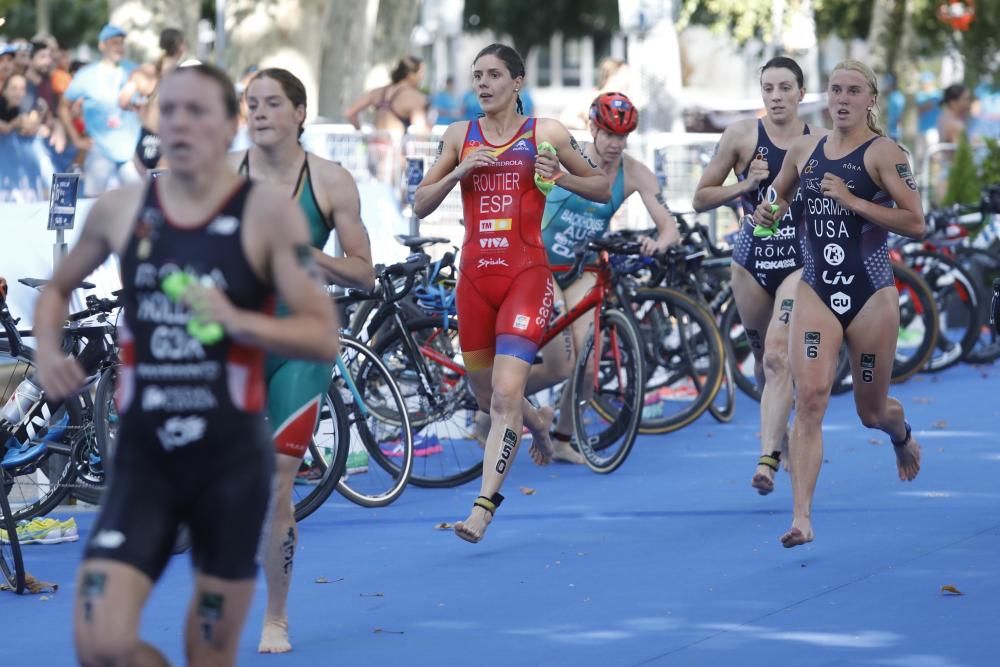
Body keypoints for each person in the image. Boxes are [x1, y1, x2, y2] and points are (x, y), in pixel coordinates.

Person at [32, 62, 340, 667]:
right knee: (99, 640)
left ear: (228, 126)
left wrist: (237, 321)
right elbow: (55, 289)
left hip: (228, 465)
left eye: (195, 110)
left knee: (208, 651)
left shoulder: (267, 216)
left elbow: (322, 337)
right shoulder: (121, 208)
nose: (178, 123)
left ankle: (275, 613)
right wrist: (45, 350)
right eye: (167, 109)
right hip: (146, 462)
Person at [414, 43, 611, 543]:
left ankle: (482, 507)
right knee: (487, 396)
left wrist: (561, 175)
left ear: (517, 82)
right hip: (475, 280)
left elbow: (602, 187)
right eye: (477, 75)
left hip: (526, 276)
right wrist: (458, 172)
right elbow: (419, 203)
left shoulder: (545, 133)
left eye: (494, 75)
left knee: (504, 394)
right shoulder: (459, 135)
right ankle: (539, 421)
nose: (482, 84)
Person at [753, 59, 924, 548]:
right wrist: (769, 209)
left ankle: (901, 434)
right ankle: (801, 518)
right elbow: (779, 200)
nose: (843, 99)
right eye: (835, 90)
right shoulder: (805, 150)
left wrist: (853, 201)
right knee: (809, 400)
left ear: (871, 99)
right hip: (817, 292)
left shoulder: (884, 154)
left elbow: (916, 222)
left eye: (853, 91)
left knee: (871, 412)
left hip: (871, 296)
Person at [233, 66, 375, 654]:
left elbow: (364, 272)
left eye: (272, 103)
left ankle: (276, 617)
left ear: (299, 114)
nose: (259, 112)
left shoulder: (331, 182)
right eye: (251, 103)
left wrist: (310, 255)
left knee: (277, 484)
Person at [517, 91, 680, 462]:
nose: (614, 144)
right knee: (558, 364)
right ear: (593, 128)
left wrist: (658, 243)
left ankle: (561, 438)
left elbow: (668, 227)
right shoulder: (570, 158)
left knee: (588, 362)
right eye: (607, 134)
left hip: (579, 269)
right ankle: (491, 401)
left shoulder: (634, 172)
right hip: (537, 262)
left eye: (621, 137)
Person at [693, 56, 826, 496]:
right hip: (750, 263)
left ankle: (766, 461)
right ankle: (779, 438)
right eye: (768, 88)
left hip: (799, 262)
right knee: (764, 365)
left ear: (801, 94)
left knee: (776, 355)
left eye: (785, 88)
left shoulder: (820, 140)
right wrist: (744, 186)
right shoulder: (742, 135)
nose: (776, 97)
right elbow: (701, 198)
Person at [60, 24, 141, 196]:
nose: (119, 47)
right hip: (99, 150)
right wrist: (76, 139)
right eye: (114, 43)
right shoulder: (87, 75)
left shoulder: (134, 70)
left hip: (130, 151)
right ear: (102, 45)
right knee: (92, 202)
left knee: (139, 202)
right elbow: (63, 106)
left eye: (121, 43)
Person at [345, 56, 429, 183]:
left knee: (376, 192)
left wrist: (360, 132)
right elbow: (421, 133)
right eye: (420, 73)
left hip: (373, 149)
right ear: (410, 74)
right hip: (395, 153)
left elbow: (350, 113)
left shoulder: (378, 92)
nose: (422, 77)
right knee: (394, 197)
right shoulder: (415, 97)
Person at [118, 27, 187, 175]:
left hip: (146, 139)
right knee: (163, 195)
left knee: (146, 194)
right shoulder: (184, 75)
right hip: (169, 141)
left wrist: (138, 107)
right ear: (181, 46)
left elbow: (123, 101)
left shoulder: (145, 72)